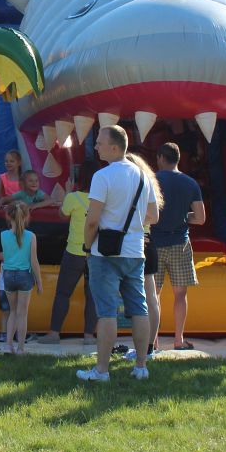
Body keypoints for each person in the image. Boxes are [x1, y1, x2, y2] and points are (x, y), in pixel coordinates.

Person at [76, 125, 162, 382]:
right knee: (139, 308)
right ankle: (141, 366)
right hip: (135, 251)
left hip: (105, 253)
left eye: (99, 142)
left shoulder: (102, 176)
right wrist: (131, 224)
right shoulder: (143, 176)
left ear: (114, 147)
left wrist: (86, 247)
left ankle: (102, 370)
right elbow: (154, 215)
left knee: (106, 312)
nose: (95, 146)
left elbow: (92, 220)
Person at [149, 142, 205, 350]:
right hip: (180, 243)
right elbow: (200, 218)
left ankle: (152, 340)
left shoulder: (152, 180)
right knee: (180, 294)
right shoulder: (190, 183)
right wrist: (183, 216)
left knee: (152, 294)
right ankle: (178, 339)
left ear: (161, 158)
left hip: (154, 243)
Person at [38, 171, 96, 344]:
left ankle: (54, 333)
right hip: (94, 254)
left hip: (74, 253)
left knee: (63, 293)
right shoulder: (101, 199)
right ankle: (89, 336)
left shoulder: (73, 197)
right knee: (92, 296)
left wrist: (69, 192)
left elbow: (62, 215)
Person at [0, 201, 43, 354]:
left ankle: (8, 345)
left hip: (8, 275)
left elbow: (8, 255)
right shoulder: (31, 236)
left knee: (12, 312)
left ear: (8, 216)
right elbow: (34, 261)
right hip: (24, 276)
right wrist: (39, 282)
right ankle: (20, 348)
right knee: (22, 314)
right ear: (26, 217)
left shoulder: (3, 235)